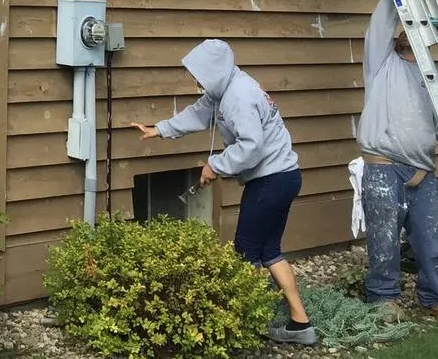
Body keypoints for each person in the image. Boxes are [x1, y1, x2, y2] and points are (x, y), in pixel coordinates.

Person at [131, 39, 316, 347]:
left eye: (199, 75)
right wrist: (160, 129)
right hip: (283, 176)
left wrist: (215, 166)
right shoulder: (224, 90)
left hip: (270, 180)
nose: (195, 81)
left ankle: (248, 323)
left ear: (213, 72)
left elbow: (251, 147)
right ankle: (300, 324)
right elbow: (198, 114)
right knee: (268, 251)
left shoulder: (239, 97)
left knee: (246, 253)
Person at [358, 0, 438, 321]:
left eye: (417, 27)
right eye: (405, 26)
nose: (409, 31)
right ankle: (383, 300)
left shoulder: (429, 76)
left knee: (432, 239)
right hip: (383, 168)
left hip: (422, 172)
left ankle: (436, 298)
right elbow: (382, 20)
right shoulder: (380, 61)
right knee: (383, 238)